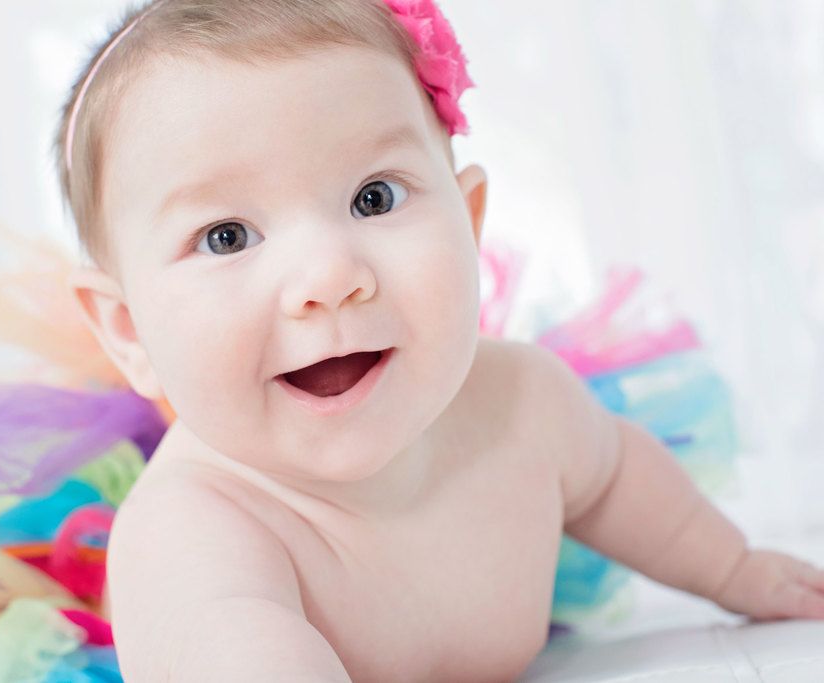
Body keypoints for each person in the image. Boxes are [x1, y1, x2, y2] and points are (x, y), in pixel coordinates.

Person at [54, 0, 824, 680]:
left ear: (471, 221)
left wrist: (736, 567)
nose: (328, 275)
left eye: (373, 196)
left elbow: (617, 476)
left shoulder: (522, 403)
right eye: (226, 235)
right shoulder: (193, 531)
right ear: (129, 330)